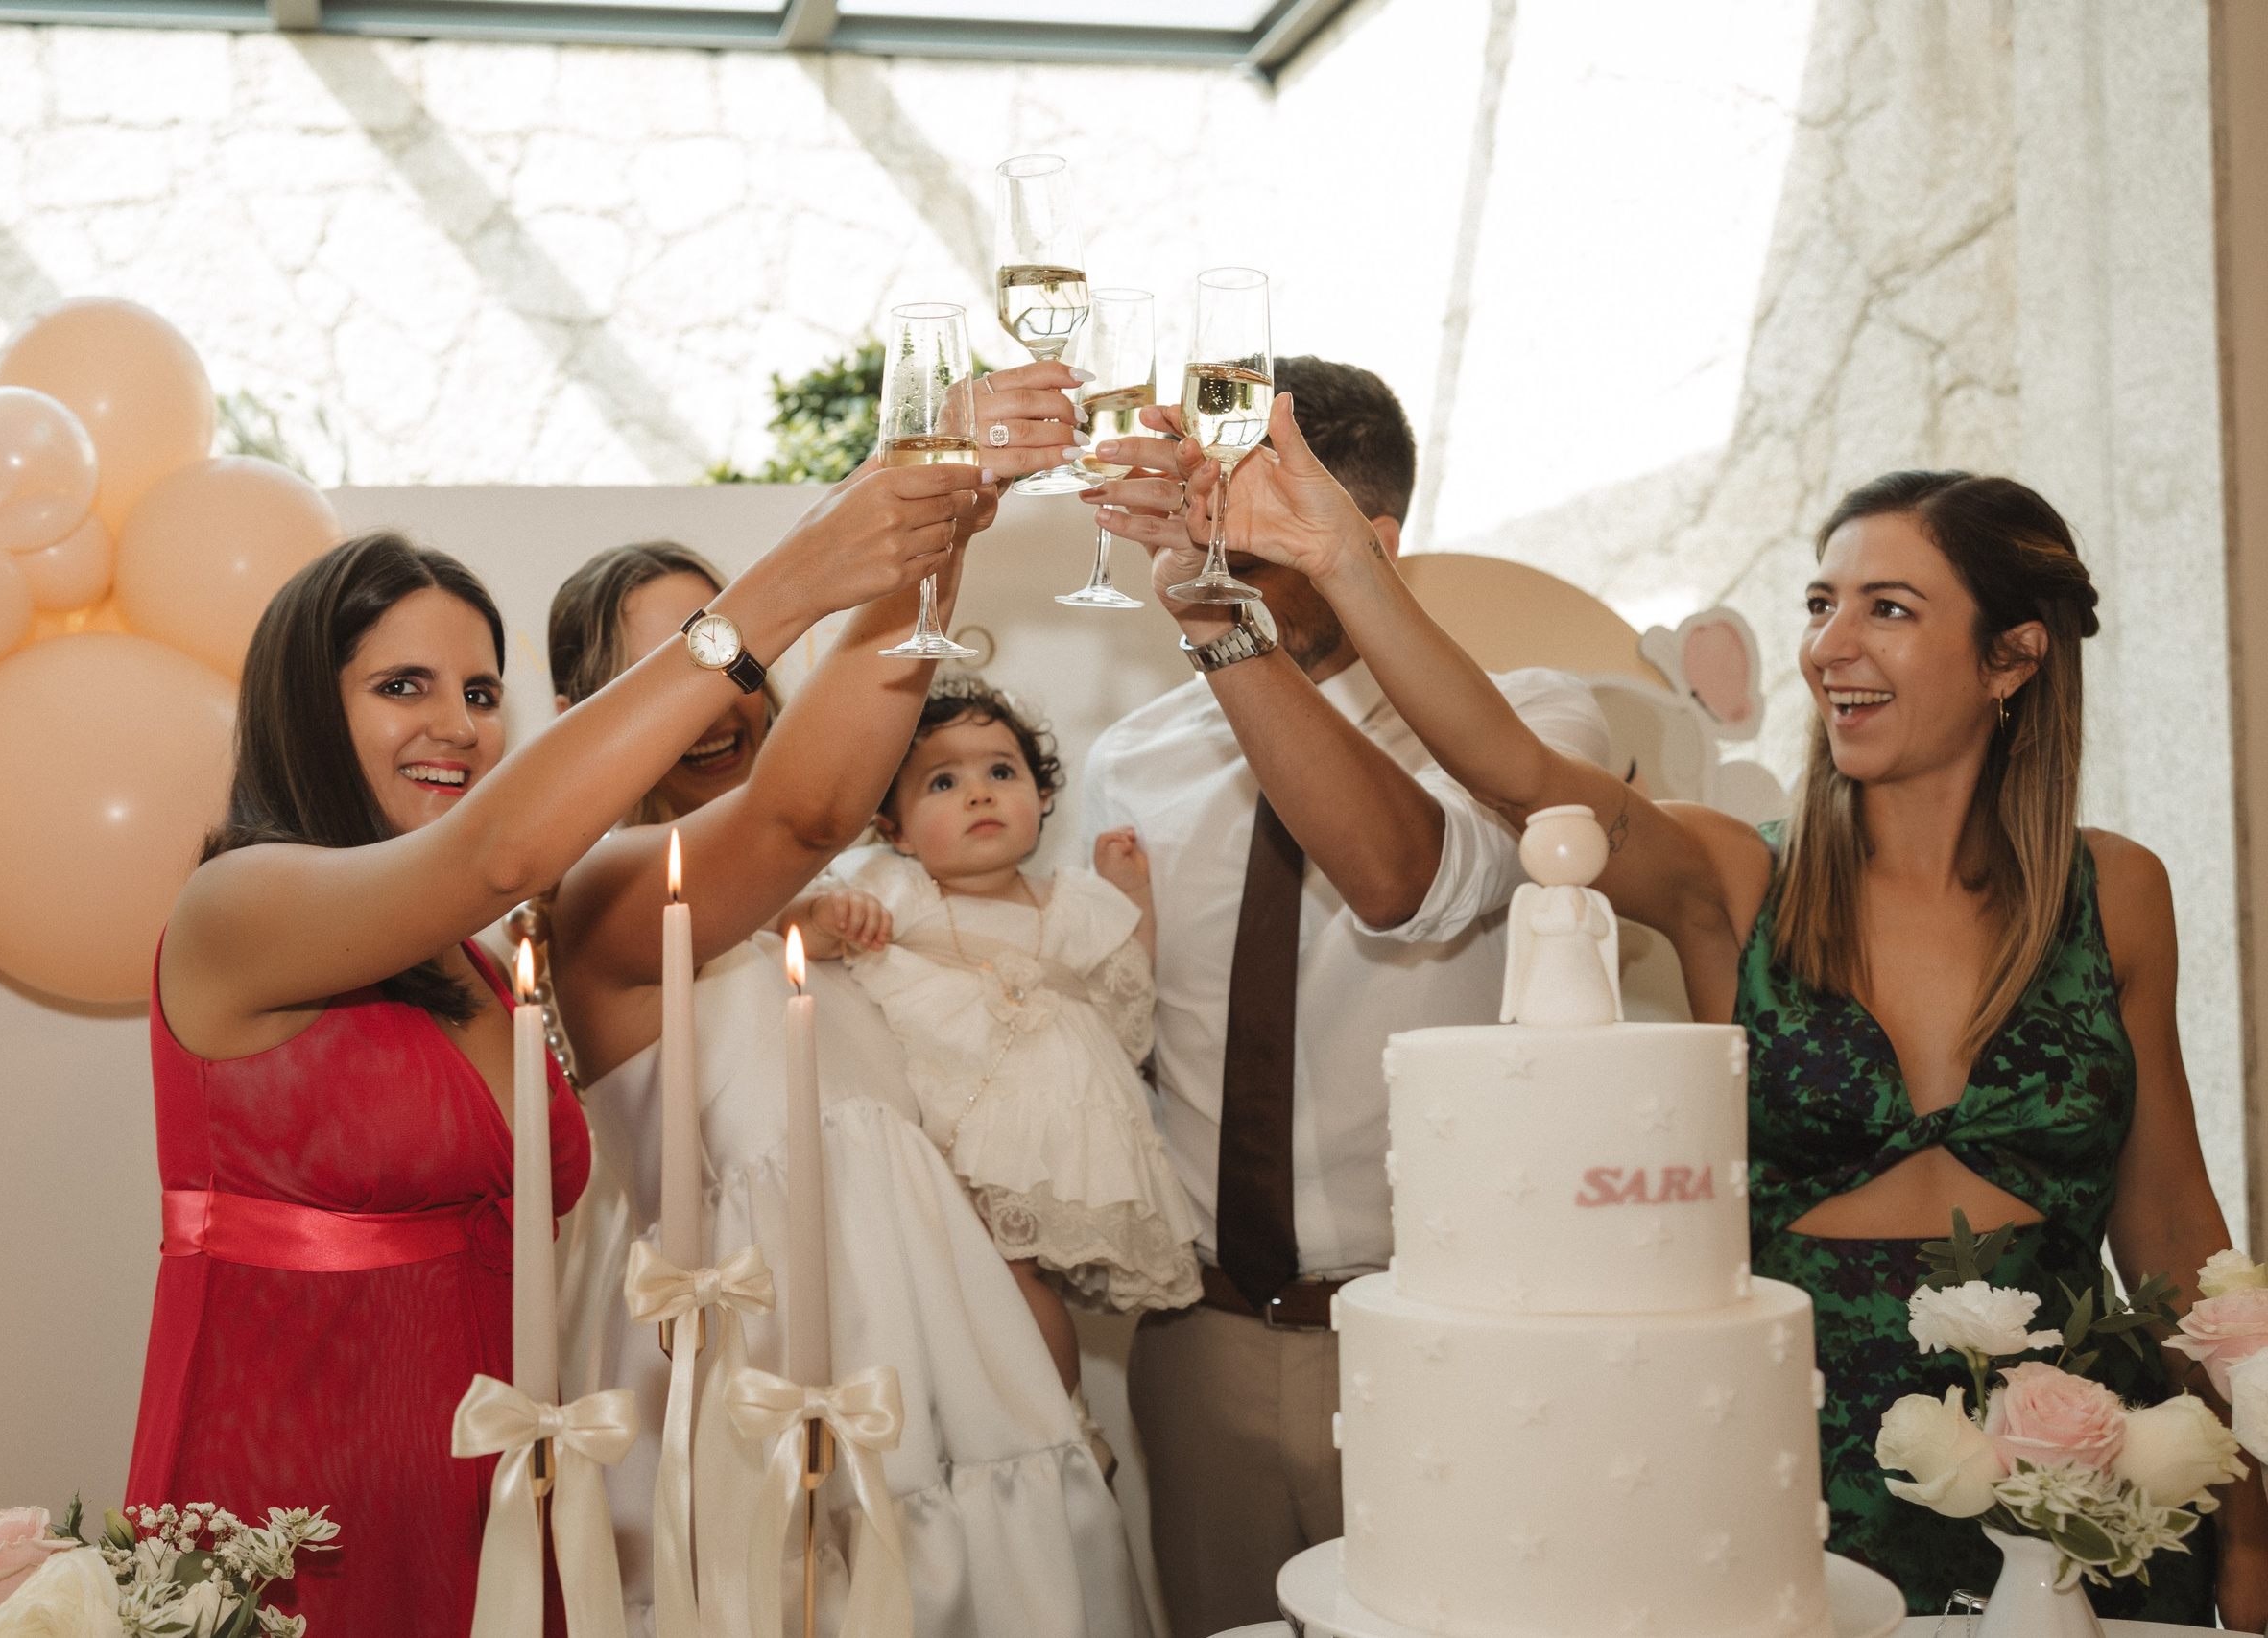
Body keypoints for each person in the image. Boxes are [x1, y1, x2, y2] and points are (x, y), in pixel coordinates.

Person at [1096, 406, 2268, 1625]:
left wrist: (2246, 1510)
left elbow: (2174, 1229)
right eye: (1819, 603)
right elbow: (1513, 773)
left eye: (1887, 609)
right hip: (1796, 1476)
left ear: (2011, 657)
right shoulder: (1733, 878)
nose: (1828, 648)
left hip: (2078, 1484)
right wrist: (1338, 560)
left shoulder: (2115, 891)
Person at [127, 464, 971, 1634]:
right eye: (402, 685)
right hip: (291, 1499)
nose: (457, 725)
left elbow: (801, 816)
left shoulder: (485, 959)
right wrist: (788, 586)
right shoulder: (235, 908)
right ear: (305, 708)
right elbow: (496, 853)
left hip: (497, 1489)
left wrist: (928, 553)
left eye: (480, 691)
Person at [544, 362, 1153, 1638]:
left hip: (960, 1376)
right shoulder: (601, 899)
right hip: (765, 1393)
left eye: (738, 649)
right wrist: (938, 506)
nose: (723, 691)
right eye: (675, 664)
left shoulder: (873, 894)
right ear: (582, 716)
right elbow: (799, 809)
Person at [1077, 357, 1608, 1638]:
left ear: (1370, 540)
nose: (1220, 560)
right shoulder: (1132, 756)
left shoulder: (1534, 721)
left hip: (1440, 1330)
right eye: (1210, 527)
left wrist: (1222, 628)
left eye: (1256, 538)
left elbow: (1398, 878)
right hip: (1197, 1337)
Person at [789, 677, 1200, 1402]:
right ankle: (998, 1421)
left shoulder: (1073, 902)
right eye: (944, 782)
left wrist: (1130, 897)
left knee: (1013, 1275)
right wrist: (829, 916)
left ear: (1042, 796)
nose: (979, 795)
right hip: (941, 1117)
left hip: (1047, 1127)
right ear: (895, 829)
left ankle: (1058, 1421)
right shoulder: (895, 888)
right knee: (945, 1281)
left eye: (1001, 773)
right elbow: (789, 936)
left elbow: (1130, 995)